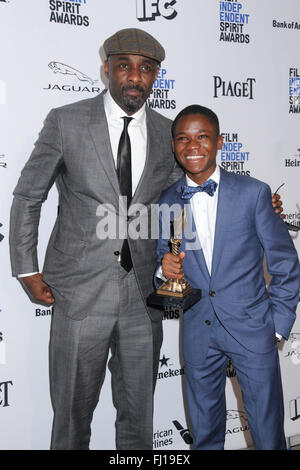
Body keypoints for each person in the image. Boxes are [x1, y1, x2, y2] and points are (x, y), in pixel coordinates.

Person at [9, 28, 283, 450]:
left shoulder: (168, 132)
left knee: (139, 422)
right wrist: (26, 268)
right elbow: (29, 195)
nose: (135, 77)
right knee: (71, 419)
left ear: (156, 76)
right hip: (80, 295)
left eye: (147, 69)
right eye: (125, 66)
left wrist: (260, 206)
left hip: (144, 299)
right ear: (107, 70)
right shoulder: (65, 121)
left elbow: (191, 192)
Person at [156, 105, 300, 450]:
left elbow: (285, 263)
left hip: (253, 329)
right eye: (183, 138)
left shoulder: (253, 193)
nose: (193, 146)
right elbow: (163, 259)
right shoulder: (166, 200)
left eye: (202, 137)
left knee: (267, 432)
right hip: (197, 332)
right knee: (204, 432)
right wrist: (163, 270)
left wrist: (278, 326)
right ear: (174, 146)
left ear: (219, 142)